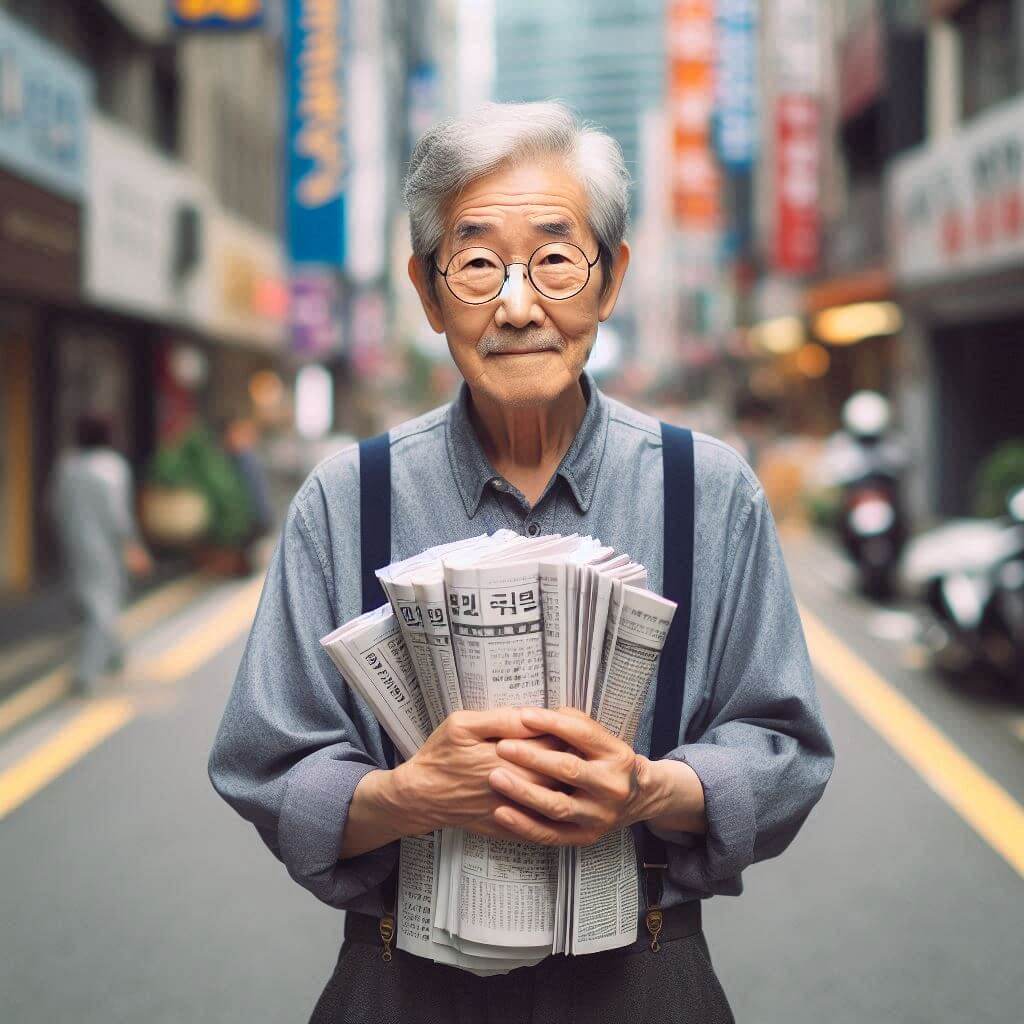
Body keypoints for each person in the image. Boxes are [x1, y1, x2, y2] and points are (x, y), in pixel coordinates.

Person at [209, 102, 834, 1023]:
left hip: (648, 981)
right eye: (474, 264)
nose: (515, 304)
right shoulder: (347, 498)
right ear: (428, 294)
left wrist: (649, 788)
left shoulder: (709, 491)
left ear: (610, 278)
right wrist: (407, 794)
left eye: (553, 257)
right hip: (403, 984)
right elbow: (266, 764)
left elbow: (785, 750)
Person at [51, 413, 152, 695]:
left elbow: (54, 506)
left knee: (93, 602)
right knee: (103, 607)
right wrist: (132, 545)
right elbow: (117, 515)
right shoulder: (112, 467)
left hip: (73, 545)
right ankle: (85, 673)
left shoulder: (67, 466)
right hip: (104, 548)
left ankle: (114, 656)